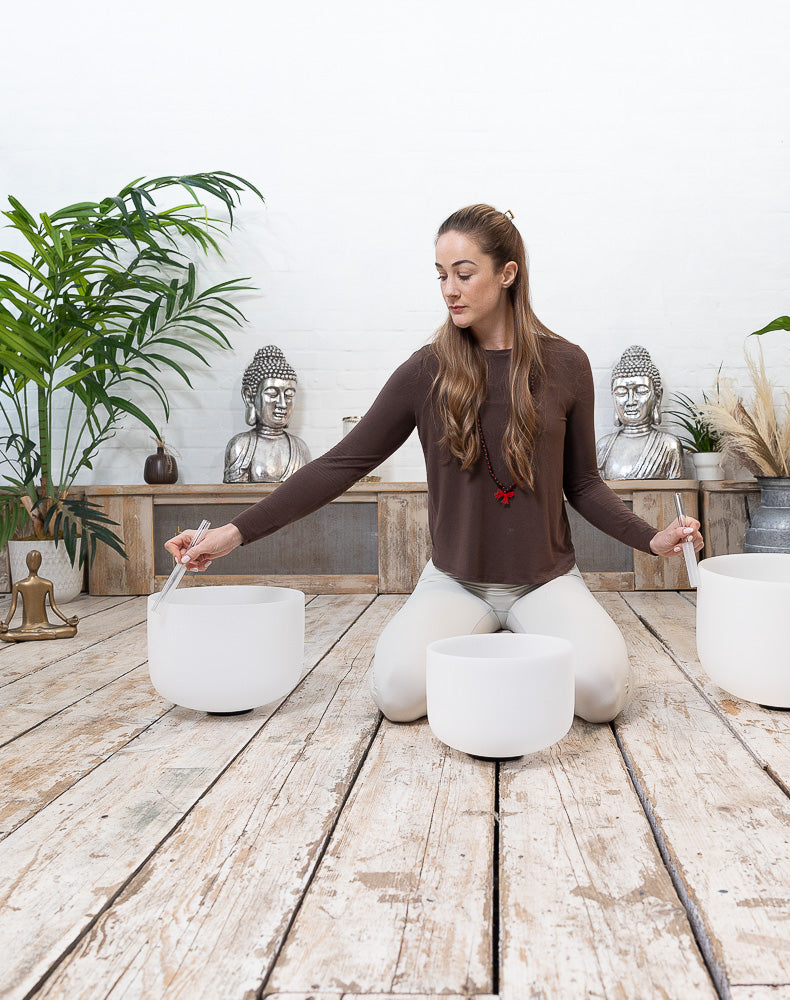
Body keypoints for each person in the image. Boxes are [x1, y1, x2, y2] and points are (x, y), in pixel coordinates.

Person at [166, 205, 703, 724]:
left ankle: (502, 648)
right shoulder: (426, 371)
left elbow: (583, 483)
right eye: (441, 274)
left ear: (508, 273)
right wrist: (233, 534)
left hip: (546, 580)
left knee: (603, 697)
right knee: (397, 697)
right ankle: (496, 649)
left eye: (464, 274)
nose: (450, 289)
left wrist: (650, 539)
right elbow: (339, 464)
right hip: (456, 583)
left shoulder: (567, 364)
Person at [223, 345, 312, 482]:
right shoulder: (241, 446)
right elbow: (234, 499)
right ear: (249, 396)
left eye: (289, 395)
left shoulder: (300, 448)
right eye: (272, 393)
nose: (282, 404)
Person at [597, 344, 683, 480]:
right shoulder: (603, 447)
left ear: (658, 396)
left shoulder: (669, 445)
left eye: (641, 391)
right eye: (621, 392)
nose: (631, 401)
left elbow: (676, 494)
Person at [0, 549, 80, 641]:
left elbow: (54, 607)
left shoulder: (47, 584)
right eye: (31, 560)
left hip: (45, 625)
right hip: (26, 627)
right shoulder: (19, 585)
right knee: (5, 635)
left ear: (40, 563)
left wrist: (67, 620)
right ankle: (41, 634)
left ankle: (38, 634)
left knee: (72, 630)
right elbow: (13, 607)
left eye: (37, 560)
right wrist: (6, 625)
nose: (34, 563)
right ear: (27, 562)